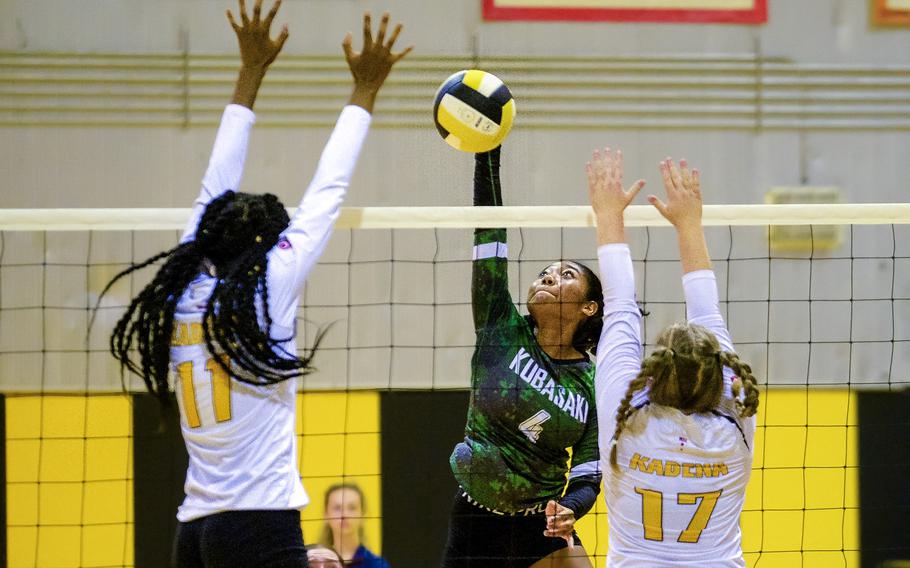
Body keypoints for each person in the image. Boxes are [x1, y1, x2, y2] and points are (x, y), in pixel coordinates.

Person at [98, 1, 411, 566]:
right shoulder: (269, 286)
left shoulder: (183, 281)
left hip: (193, 532)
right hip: (259, 525)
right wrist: (365, 89)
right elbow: (327, 190)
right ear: (267, 244)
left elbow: (214, 180)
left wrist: (250, 72)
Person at [587, 148, 760, 567]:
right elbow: (707, 313)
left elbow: (621, 305)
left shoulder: (624, 418)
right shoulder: (734, 421)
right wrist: (689, 223)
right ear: (720, 376)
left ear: (653, 373)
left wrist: (608, 214)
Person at [440, 146, 603, 568]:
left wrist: (572, 508)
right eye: (545, 271)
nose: (548, 276)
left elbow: (589, 471)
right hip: (477, 520)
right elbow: (489, 234)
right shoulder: (500, 326)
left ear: (590, 307)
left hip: (541, 524)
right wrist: (486, 155)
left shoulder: (591, 381)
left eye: (566, 274)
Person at [319, 483, 390, 567]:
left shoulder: (377, 565)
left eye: (352, 508)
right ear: (326, 514)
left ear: (363, 514)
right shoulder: (315, 563)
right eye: (337, 508)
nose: (344, 514)